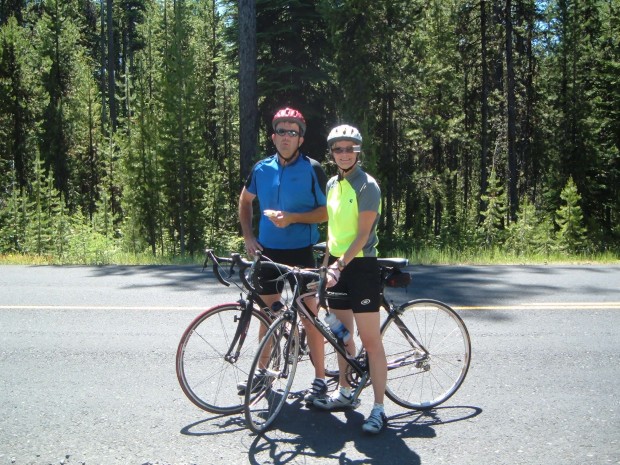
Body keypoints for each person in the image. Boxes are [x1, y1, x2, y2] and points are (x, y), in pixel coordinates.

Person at [238, 107, 330, 404]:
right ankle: (264, 373)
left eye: (293, 132)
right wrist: (249, 236)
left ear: (301, 139)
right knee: (267, 314)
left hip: (301, 252)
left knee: (310, 316)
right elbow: (245, 200)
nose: (286, 137)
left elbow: (326, 212)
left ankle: (319, 379)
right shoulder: (262, 168)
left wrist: (291, 218)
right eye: (281, 131)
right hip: (268, 252)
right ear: (273, 137)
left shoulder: (312, 168)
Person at [312, 124, 387, 434]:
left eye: (350, 148)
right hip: (337, 269)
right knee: (342, 337)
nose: (344, 154)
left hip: (361, 267)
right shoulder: (332, 184)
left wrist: (339, 266)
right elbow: (333, 233)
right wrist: (326, 267)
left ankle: (380, 408)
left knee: (371, 341)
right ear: (332, 153)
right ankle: (345, 392)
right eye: (338, 149)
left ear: (359, 151)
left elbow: (362, 235)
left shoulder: (367, 186)